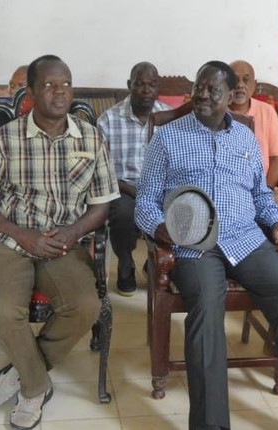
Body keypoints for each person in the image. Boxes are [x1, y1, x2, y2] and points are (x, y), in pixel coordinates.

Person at [135, 61, 278, 430]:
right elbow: (145, 200)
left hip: (245, 239)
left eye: (213, 90)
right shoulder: (167, 136)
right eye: (199, 87)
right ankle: (211, 424)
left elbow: (261, 194)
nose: (203, 95)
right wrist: (160, 228)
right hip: (193, 245)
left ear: (231, 97)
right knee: (207, 309)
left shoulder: (246, 137)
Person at [0, 55, 119, 430]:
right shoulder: (4, 139)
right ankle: (34, 387)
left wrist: (72, 232)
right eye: (49, 85)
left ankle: (20, 371)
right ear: (31, 92)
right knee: (1, 308)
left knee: (85, 306)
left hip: (63, 242)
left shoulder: (91, 136)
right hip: (9, 237)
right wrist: (24, 236)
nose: (59, 91)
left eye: (65, 83)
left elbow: (102, 203)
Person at [97, 61, 171, 296]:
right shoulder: (108, 120)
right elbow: (101, 170)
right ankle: (125, 263)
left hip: (162, 187)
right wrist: (131, 190)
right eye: (140, 84)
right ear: (130, 85)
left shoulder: (170, 118)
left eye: (152, 84)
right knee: (124, 214)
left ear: (158, 87)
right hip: (123, 187)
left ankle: (155, 263)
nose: (146, 90)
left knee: (179, 209)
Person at [228, 60, 278, 235]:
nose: (240, 85)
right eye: (234, 80)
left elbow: (276, 158)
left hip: (264, 188)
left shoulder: (267, 111)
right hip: (228, 190)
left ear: (254, 85)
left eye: (246, 80)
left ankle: (277, 260)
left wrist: (265, 190)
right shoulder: (217, 114)